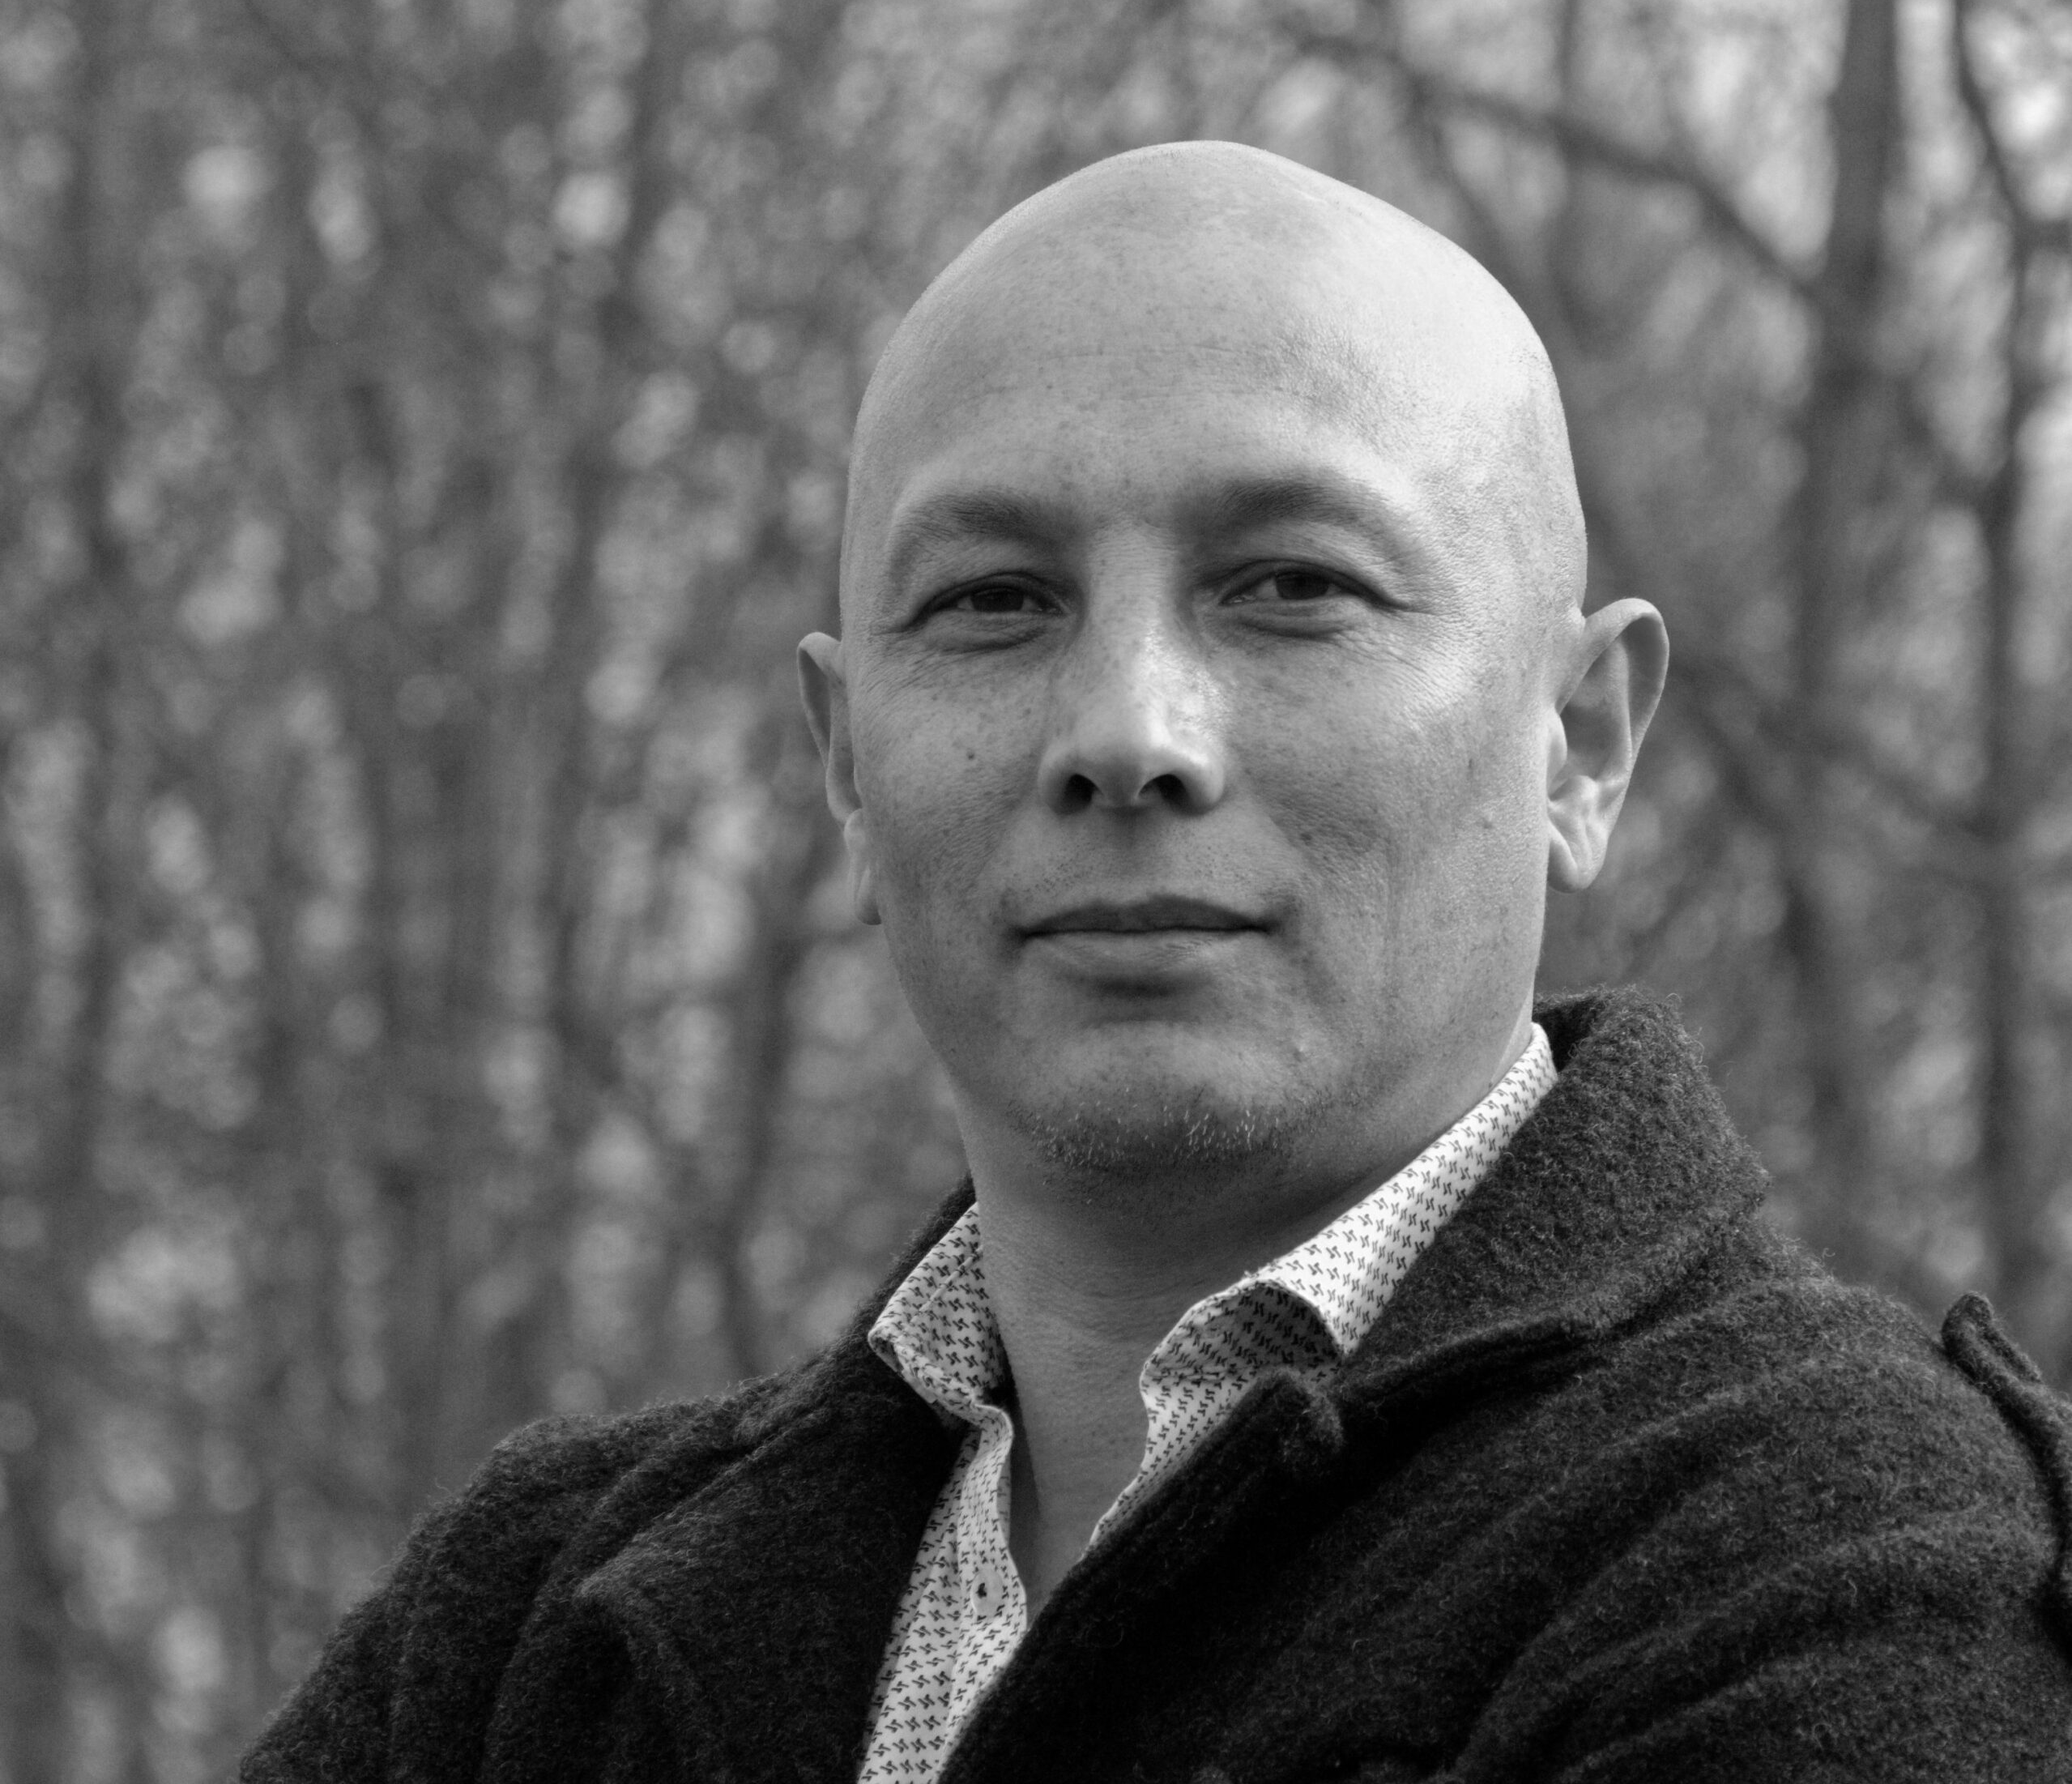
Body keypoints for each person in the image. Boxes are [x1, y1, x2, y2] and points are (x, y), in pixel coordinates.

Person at [243, 143, 2072, 1782]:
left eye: (1292, 585)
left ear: (1578, 742)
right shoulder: (519, 1630)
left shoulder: (1844, 1575)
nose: (1126, 732)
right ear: (848, 767)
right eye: (994, 601)